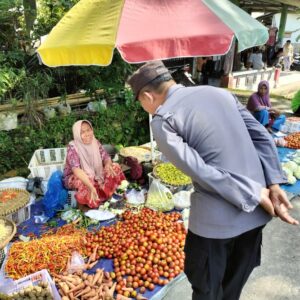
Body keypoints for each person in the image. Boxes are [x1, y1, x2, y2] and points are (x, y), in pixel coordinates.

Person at [127, 61, 298, 300]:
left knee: (207, 290)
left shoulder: (163, 120)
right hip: (257, 215)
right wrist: (273, 184)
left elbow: (201, 171)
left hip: (216, 226)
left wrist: (253, 193)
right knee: (232, 289)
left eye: (141, 103)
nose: (145, 108)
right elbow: (262, 136)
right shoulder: (220, 93)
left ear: (147, 96)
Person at [63, 120, 125, 209]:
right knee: (80, 181)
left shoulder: (95, 142)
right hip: (78, 176)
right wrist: (91, 187)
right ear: (76, 134)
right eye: (82, 132)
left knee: (114, 167)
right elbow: (76, 170)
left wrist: (108, 164)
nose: (87, 134)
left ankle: (107, 194)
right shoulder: (73, 147)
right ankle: (86, 203)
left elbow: (106, 157)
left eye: (88, 130)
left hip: (96, 173)